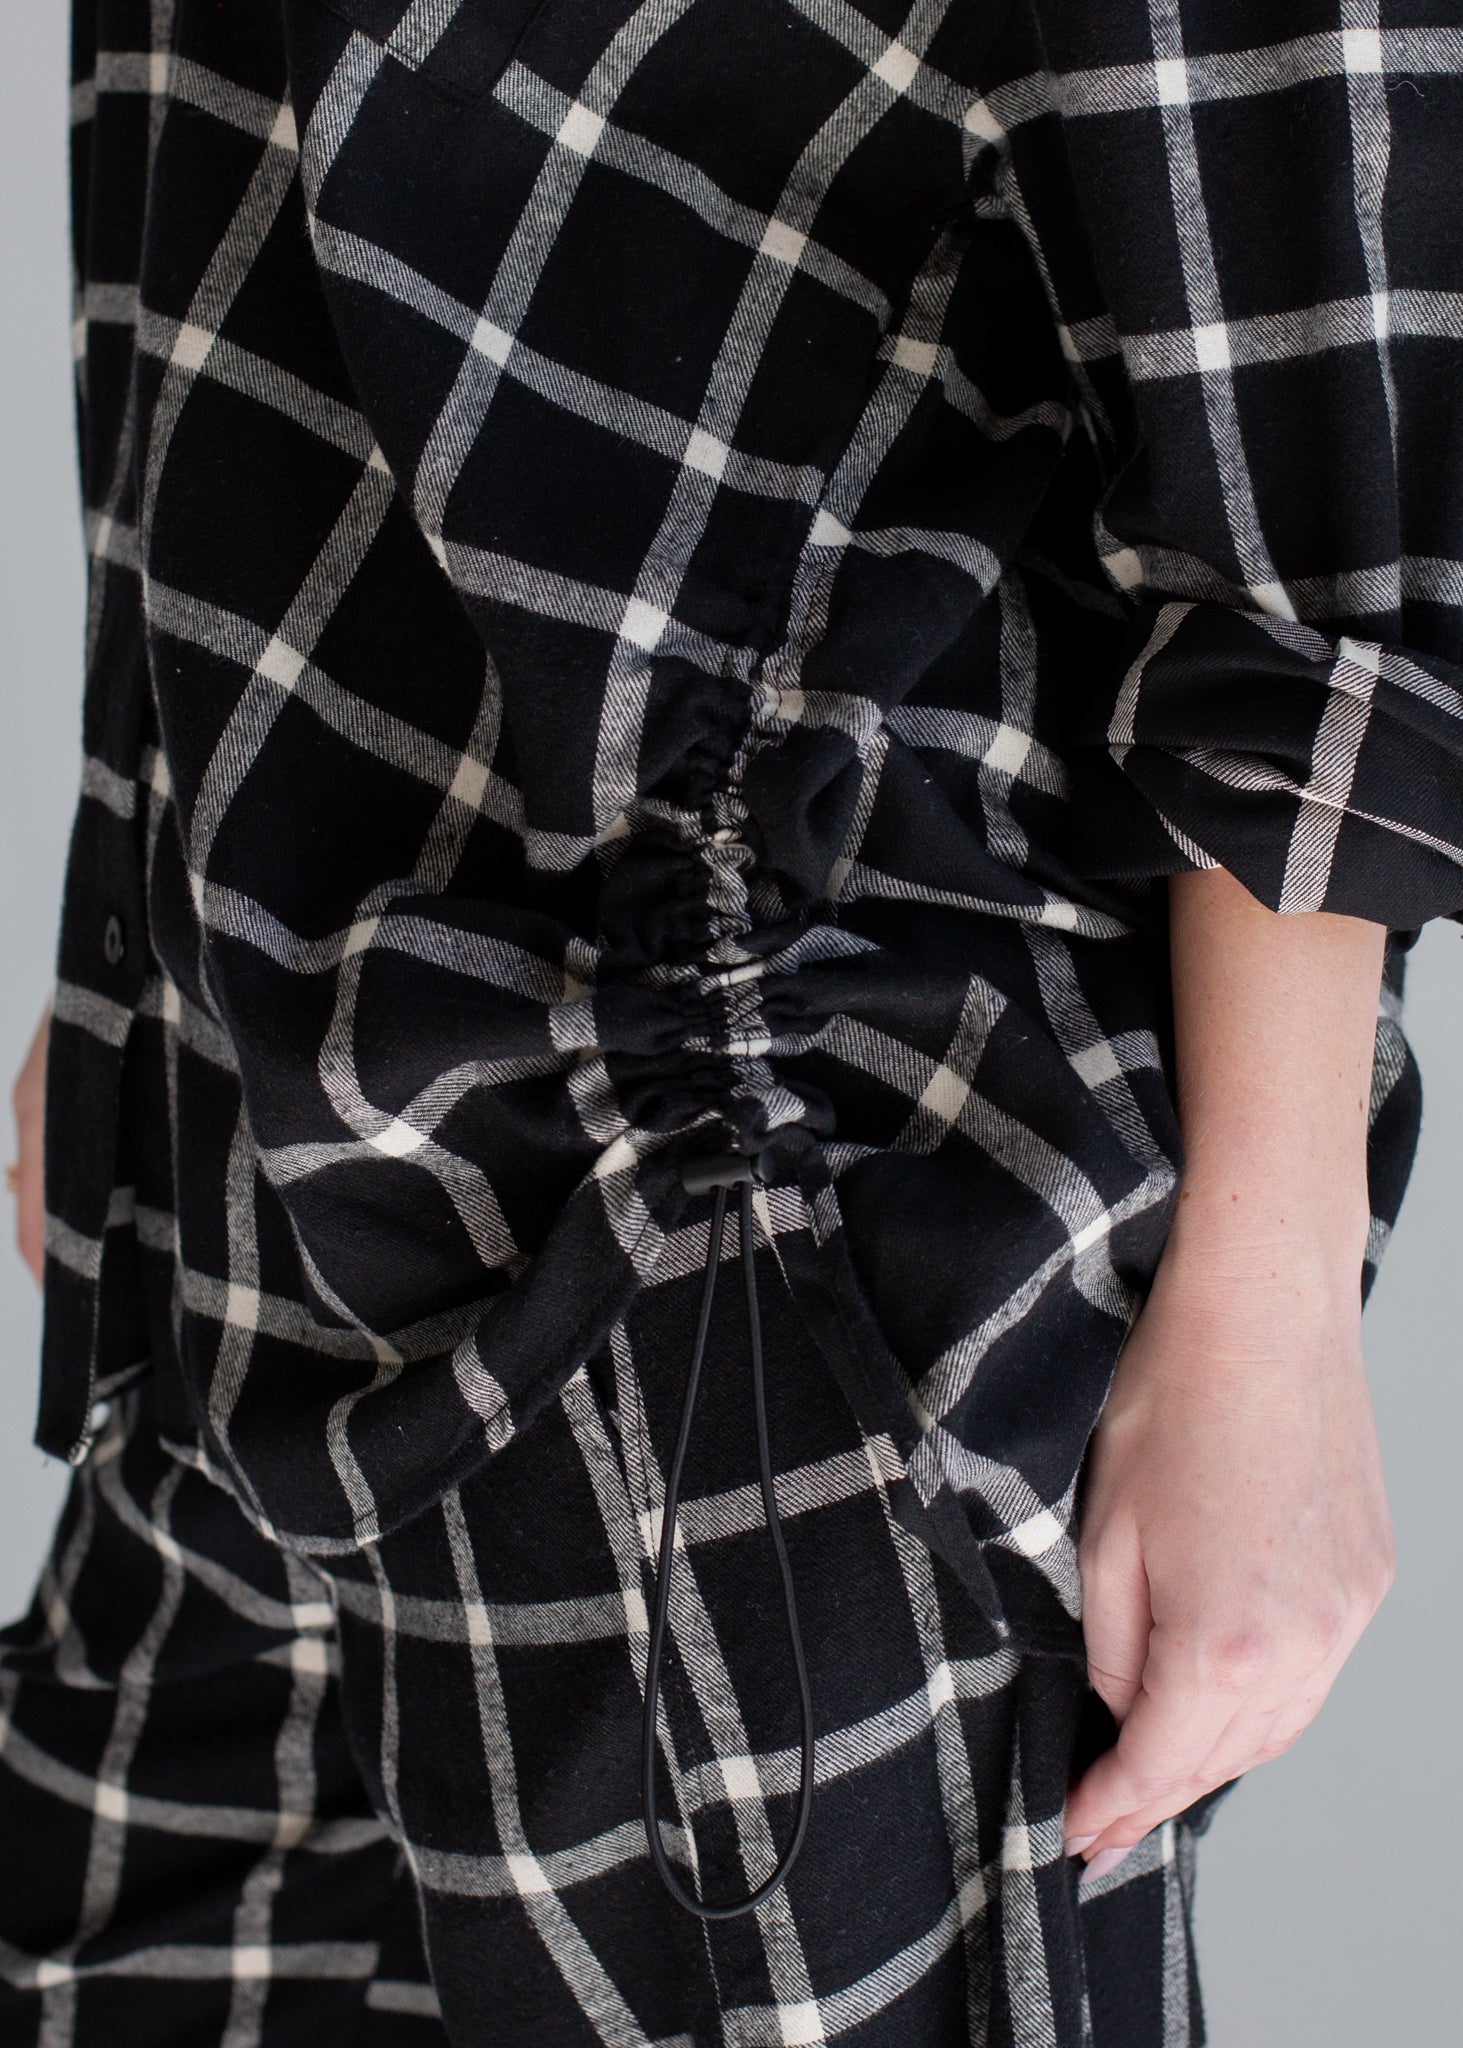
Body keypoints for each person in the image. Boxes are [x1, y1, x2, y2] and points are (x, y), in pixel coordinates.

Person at [1, 2, 1459, 2042]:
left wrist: (1278, 1275)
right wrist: (143, 893)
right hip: (242, 1172)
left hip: (779, 1229)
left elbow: (1312, 299)